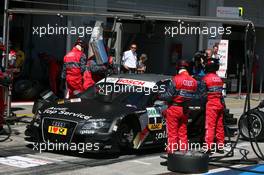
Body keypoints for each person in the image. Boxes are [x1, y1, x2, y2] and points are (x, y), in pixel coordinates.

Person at [159, 60, 197, 153]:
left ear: (177, 68)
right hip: (185, 109)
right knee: (183, 133)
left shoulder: (175, 79)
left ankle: (171, 154)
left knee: (172, 134)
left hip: (174, 108)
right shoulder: (193, 81)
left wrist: (159, 95)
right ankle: (183, 153)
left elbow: (168, 96)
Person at [202, 56, 225, 153]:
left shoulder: (206, 78)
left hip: (211, 104)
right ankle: (220, 147)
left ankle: (208, 147)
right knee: (219, 126)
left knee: (210, 126)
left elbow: (202, 93)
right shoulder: (219, 79)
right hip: (219, 103)